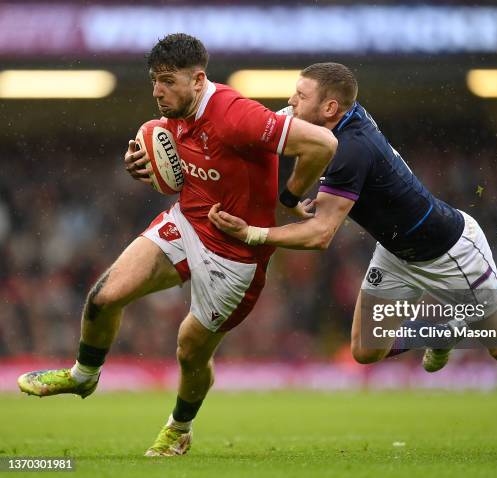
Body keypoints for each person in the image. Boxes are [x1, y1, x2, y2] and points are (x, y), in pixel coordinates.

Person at [208, 62, 497, 453]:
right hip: (396, 252)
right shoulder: (330, 126)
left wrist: (252, 233)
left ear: (330, 108)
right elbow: (292, 146)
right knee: (365, 349)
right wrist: (288, 198)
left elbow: (321, 234)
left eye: (300, 95)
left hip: (449, 252)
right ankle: (443, 328)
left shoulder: (353, 149)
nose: (290, 100)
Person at [17, 34, 337, 457]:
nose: (157, 91)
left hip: (235, 256)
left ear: (199, 80)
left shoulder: (234, 114)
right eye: (154, 80)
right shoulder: (173, 115)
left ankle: (179, 428)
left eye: (167, 81)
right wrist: (142, 165)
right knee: (104, 297)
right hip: (187, 222)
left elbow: (323, 143)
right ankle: (83, 374)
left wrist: (290, 197)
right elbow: (174, 158)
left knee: (189, 352)